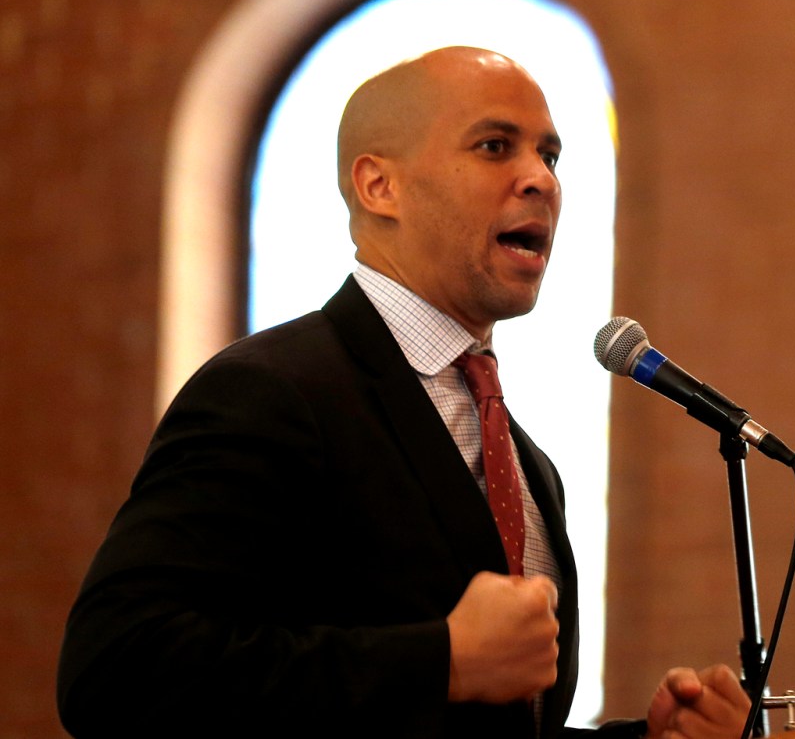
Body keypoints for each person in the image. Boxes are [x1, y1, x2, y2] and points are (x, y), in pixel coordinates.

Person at [57, 46, 751, 739]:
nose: (539, 179)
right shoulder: (270, 392)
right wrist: (439, 661)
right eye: (494, 146)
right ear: (378, 186)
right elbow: (116, 672)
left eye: (550, 155)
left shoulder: (531, 468)